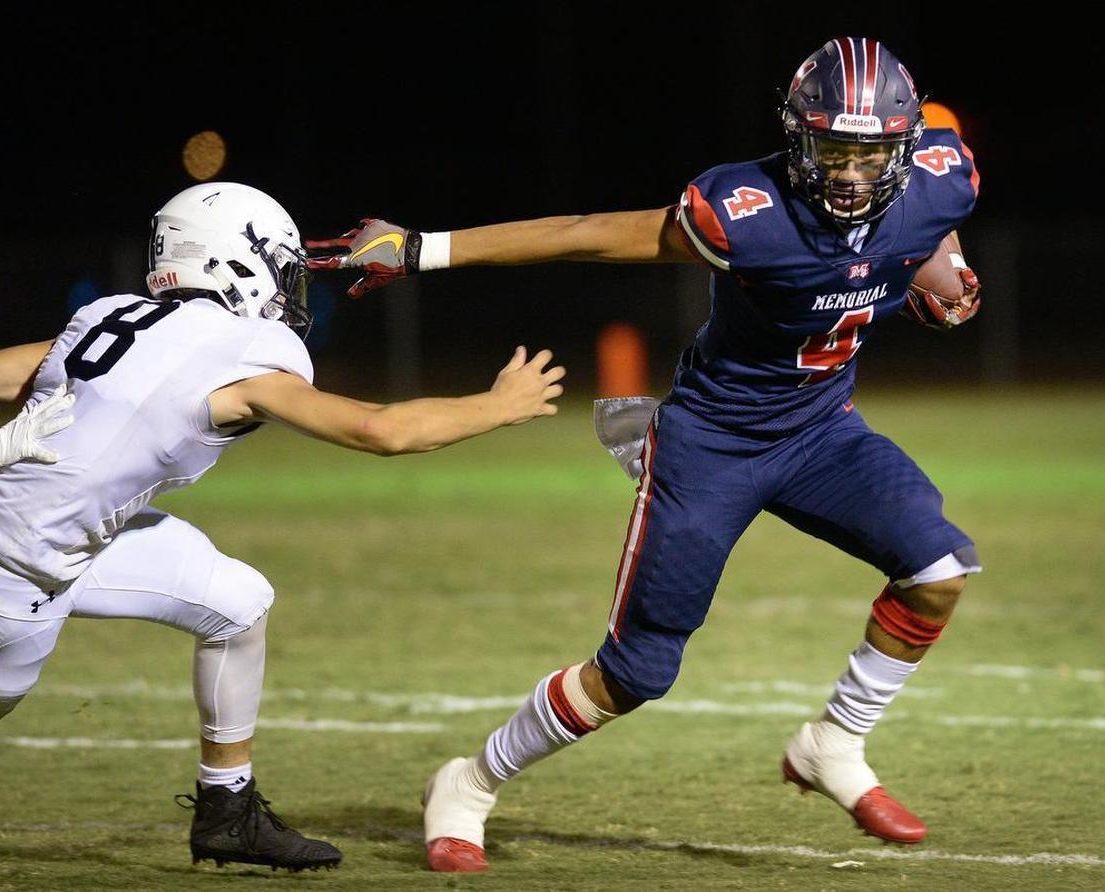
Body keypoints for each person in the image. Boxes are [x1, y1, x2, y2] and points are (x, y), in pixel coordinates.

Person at [308, 36, 983, 873]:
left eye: (869, 153)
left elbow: (931, 238)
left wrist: (941, 272)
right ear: (796, 138)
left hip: (822, 431)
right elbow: (586, 234)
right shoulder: (745, 210)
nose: (848, 174)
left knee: (938, 569)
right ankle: (471, 782)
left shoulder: (942, 178)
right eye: (831, 150)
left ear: (904, 148)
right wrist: (426, 249)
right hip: (713, 443)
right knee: (635, 673)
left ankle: (833, 744)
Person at [0, 182, 565, 873]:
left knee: (236, 600)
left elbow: (1, 376)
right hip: (15, 576)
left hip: (54, 543)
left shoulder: (109, 316)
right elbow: (381, 431)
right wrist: (498, 406)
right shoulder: (241, 350)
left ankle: (227, 812)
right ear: (239, 262)